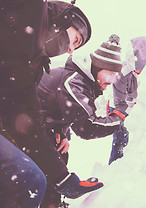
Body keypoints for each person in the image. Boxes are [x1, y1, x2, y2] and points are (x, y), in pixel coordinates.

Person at [0, 0, 101, 206]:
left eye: (77, 47)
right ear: (62, 19)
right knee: (27, 179)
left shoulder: (29, 69)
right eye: (75, 39)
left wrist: (63, 178)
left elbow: (26, 123)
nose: (70, 50)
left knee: (31, 177)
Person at [37, 34, 126, 207]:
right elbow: (86, 127)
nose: (111, 81)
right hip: (21, 126)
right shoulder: (75, 82)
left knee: (59, 153)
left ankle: (51, 203)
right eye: (109, 74)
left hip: (39, 124)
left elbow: (60, 110)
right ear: (98, 68)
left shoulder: (82, 80)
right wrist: (118, 118)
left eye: (115, 76)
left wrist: (60, 132)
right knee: (45, 165)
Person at [108, 36, 146, 165]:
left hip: (133, 106)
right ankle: (115, 166)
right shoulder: (122, 73)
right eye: (139, 65)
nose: (141, 70)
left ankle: (129, 164)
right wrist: (133, 110)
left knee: (134, 139)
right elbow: (119, 102)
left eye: (144, 65)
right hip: (118, 108)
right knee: (120, 139)